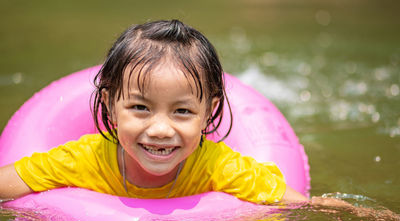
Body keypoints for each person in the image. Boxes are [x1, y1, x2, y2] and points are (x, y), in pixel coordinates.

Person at [0, 19, 307, 204]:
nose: (160, 129)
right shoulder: (83, 160)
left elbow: (300, 206)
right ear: (109, 105)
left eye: (182, 112)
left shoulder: (219, 167)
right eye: (140, 108)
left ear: (208, 113)